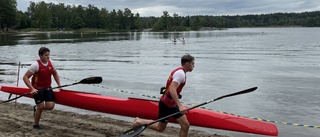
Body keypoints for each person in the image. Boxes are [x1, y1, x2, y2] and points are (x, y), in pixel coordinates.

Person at [132, 54, 195, 137]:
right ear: (187, 64)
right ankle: (139, 122)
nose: (194, 66)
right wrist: (180, 106)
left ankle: (139, 121)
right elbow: (172, 89)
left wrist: (178, 103)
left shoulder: (180, 72)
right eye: (192, 64)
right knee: (160, 128)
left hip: (172, 104)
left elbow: (171, 89)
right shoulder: (181, 74)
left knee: (185, 125)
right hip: (166, 104)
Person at [23, 47, 61, 129]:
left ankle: (37, 109)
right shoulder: (35, 65)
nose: (48, 57)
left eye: (48, 55)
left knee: (50, 106)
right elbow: (25, 77)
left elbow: (55, 74)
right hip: (37, 89)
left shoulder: (52, 63)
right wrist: (32, 89)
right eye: (45, 55)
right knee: (40, 107)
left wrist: (59, 85)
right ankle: (36, 124)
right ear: (40, 56)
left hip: (47, 88)